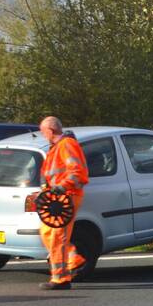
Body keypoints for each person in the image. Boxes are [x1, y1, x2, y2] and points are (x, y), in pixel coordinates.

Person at [37, 116, 89, 291]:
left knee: (58, 237)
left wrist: (61, 186)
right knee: (46, 232)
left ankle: (60, 279)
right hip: (57, 197)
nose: (42, 135)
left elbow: (77, 171)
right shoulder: (57, 147)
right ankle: (74, 260)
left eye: (43, 132)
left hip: (67, 196)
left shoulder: (67, 145)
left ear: (50, 131)